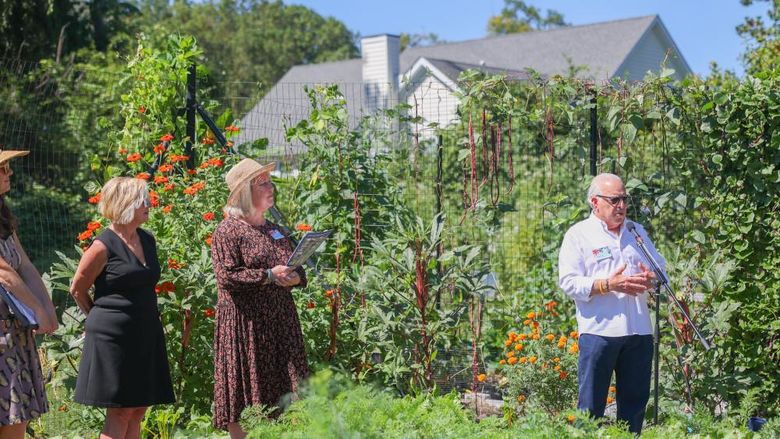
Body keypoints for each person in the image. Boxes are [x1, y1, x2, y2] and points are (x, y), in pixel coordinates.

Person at [558, 173, 664, 434]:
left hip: (638, 331)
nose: (621, 205)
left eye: (624, 199)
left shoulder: (635, 231)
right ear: (595, 202)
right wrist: (608, 284)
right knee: (591, 408)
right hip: (599, 333)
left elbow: (661, 271)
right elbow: (569, 282)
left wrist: (651, 278)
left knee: (634, 407)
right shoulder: (578, 235)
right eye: (614, 199)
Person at [70, 176, 174, 439]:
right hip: (113, 336)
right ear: (125, 204)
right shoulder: (102, 246)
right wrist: (97, 319)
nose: (149, 204)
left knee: (138, 408)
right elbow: (77, 289)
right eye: (142, 200)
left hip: (145, 330)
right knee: (120, 411)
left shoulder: (147, 239)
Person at [211, 159, 308, 438]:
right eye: (262, 182)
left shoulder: (273, 229)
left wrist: (296, 277)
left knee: (288, 394)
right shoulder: (228, 231)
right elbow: (226, 276)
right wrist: (267, 275)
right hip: (246, 326)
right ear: (244, 192)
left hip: (280, 324)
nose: (271, 187)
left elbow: (295, 267)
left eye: (269, 180)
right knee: (244, 397)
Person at [0, 149, 58, 438]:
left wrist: (48, 311)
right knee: (11, 419)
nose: (9, 172)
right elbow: (5, 274)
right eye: (3, 168)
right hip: (1, 338)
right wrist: (38, 311)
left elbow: (23, 265)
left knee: (16, 419)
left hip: (13, 334)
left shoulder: (3, 219)